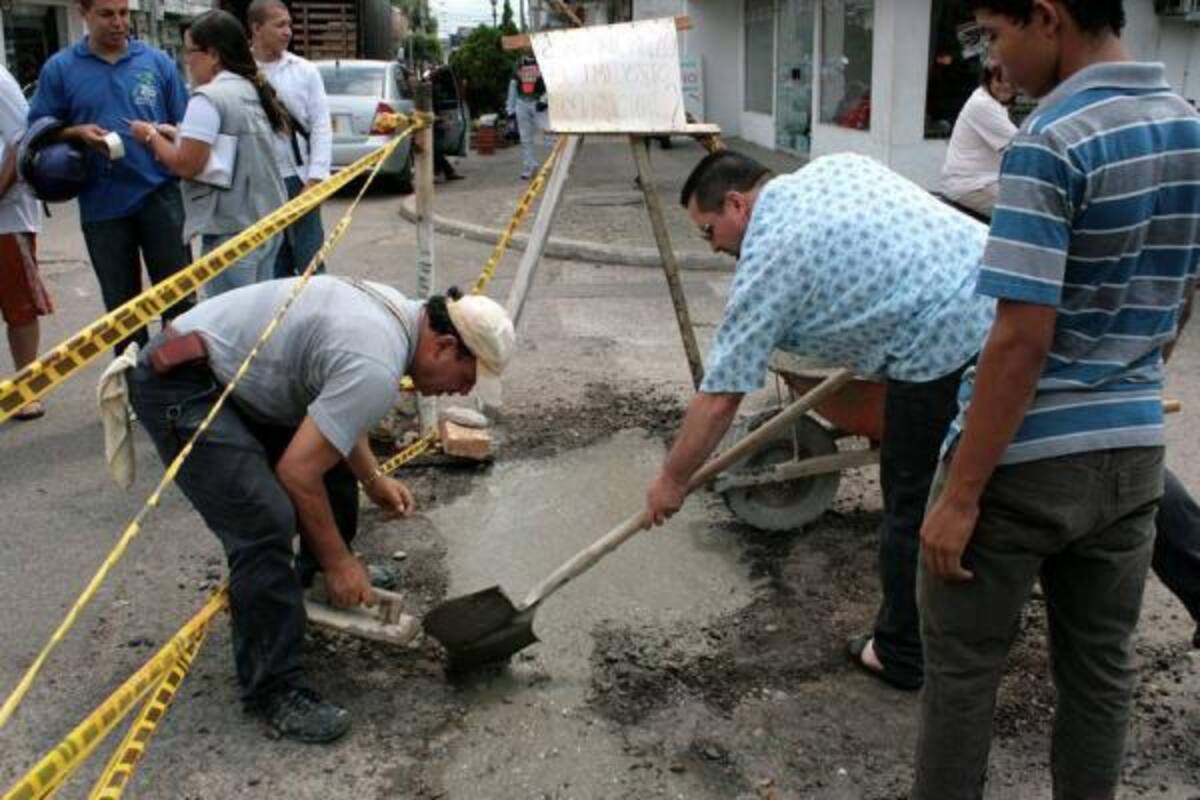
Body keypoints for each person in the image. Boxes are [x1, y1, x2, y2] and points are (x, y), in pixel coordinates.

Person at [913, 1, 1200, 797]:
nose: (995, 62)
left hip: (1024, 465)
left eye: (997, 36)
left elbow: (1020, 338)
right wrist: (1123, 376)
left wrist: (961, 495)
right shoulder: (1188, 126)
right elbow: (1180, 293)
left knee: (964, 676)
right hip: (1134, 458)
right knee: (1102, 675)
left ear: (1048, 18)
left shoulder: (1050, 139)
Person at [642, 149, 996, 693]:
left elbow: (720, 396)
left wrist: (671, 482)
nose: (712, 246)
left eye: (709, 230)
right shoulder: (837, 166)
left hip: (944, 340)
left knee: (908, 495)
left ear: (736, 205)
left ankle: (903, 653)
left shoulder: (771, 255)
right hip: (1007, 293)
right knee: (1079, 452)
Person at [127, 275, 515, 742]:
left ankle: (308, 583)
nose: (459, 392)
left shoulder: (400, 316)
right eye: (465, 378)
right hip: (184, 387)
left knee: (330, 470)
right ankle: (272, 688)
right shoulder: (377, 360)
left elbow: (334, 407)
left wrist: (371, 479)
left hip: (226, 371)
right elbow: (296, 472)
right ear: (445, 346)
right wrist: (340, 561)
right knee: (264, 521)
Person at [28, 0, 192, 350]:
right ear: (82, 13)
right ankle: (131, 392)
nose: (118, 23)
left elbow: (186, 126)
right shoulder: (60, 69)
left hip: (160, 197)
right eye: (106, 14)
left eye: (123, 13)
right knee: (122, 311)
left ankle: (183, 391)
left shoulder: (157, 63)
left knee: (179, 301)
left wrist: (161, 136)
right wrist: (76, 133)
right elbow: (38, 130)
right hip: (102, 204)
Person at [129, 10, 287, 297]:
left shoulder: (209, 98)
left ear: (213, 55)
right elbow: (229, 148)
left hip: (232, 233)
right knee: (257, 318)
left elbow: (187, 164)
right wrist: (179, 136)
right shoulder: (250, 89)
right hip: (265, 225)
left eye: (190, 52)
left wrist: (150, 136)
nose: (186, 61)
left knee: (232, 326)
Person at [247, 0, 334, 278]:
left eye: (289, 24)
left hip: (299, 179)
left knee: (311, 261)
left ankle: (316, 317)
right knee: (272, 263)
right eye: (280, 24)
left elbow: (321, 126)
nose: (288, 31)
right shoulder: (239, 72)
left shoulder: (305, 71)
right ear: (257, 28)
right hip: (259, 182)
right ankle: (281, 320)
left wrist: (315, 180)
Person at [0, 64, 51, 421]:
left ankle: (26, 387)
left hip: (7, 218)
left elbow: (23, 140)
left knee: (18, 305)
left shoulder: (0, 82)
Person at [940, 60, 1018, 217]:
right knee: (1024, 213)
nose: (1006, 86)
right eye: (1000, 80)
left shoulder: (994, 103)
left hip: (985, 181)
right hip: (971, 186)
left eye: (1012, 82)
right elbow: (1023, 145)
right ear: (988, 80)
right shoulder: (983, 105)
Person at [506, 55, 548, 181]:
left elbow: (548, 86)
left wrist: (544, 100)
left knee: (548, 134)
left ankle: (554, 163)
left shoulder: (541, 71)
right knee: (525, 138)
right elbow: (512, 91)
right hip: (522, 103)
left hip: (537, 103)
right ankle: (530, 166)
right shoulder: (517, 74)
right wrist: (510, 111)